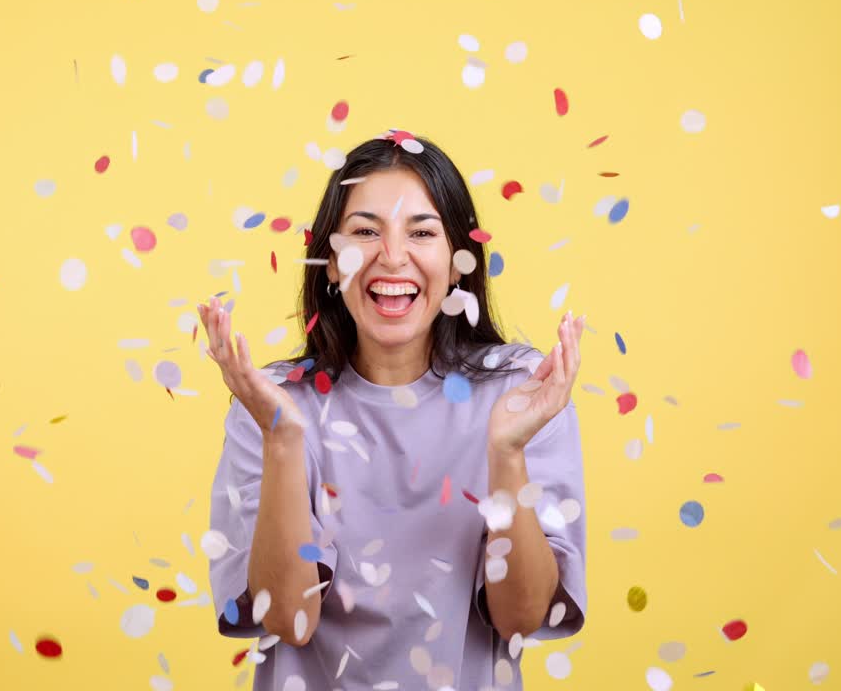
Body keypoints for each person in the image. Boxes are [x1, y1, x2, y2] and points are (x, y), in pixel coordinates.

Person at [201, 131, 587, 690]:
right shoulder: (272, 405)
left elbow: (521, 615)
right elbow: (288, 618)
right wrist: (283, 438)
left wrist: (507, 452)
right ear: (331, 263)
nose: (392, 256)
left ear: (458, 262)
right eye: (364, 231)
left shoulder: (523, 394)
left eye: (422, 232)